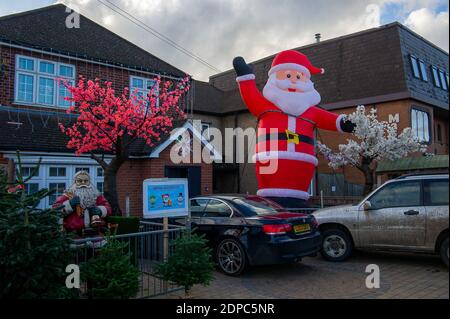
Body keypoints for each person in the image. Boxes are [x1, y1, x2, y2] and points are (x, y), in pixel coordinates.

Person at [233, 50, 356, 206]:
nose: (292, 81)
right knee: (273, 200)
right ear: (273, 78)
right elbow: (251, 96)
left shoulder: (310, 111)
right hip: (271, 165)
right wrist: (245, 77)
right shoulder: (265, 106)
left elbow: (328, 119)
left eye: (298, 77)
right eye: (287, 76)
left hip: (302, 170)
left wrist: (344, 123)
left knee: (297, 201)